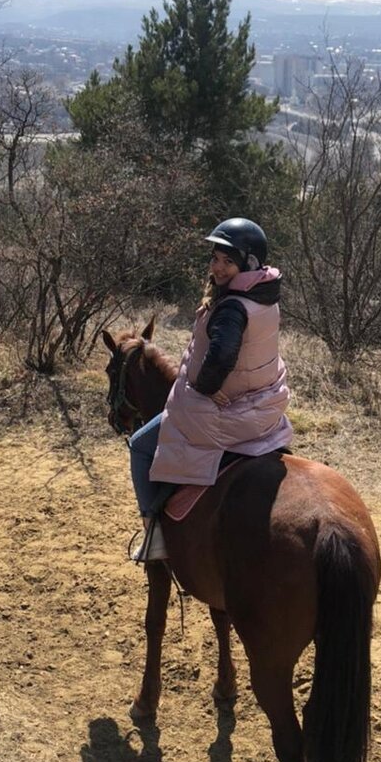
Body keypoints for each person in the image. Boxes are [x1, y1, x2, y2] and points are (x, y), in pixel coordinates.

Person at [129, 217, 293, 562]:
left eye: (228, 261)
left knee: (140, 445)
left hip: (227, 412)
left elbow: (221, 357)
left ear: (248, 264)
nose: (217, 267)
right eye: (215, 258)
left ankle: (154, 536)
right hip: (262, 406)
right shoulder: (263, 295)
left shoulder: (232, 308)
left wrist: (204, 386)